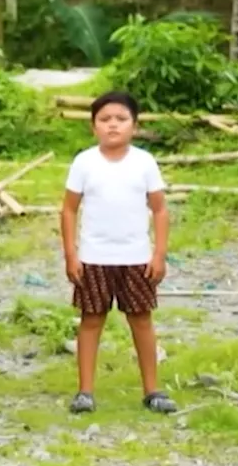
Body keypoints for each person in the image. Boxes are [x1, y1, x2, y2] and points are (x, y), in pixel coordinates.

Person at [60, 90, 178, 415]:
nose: (113, 125)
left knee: (141, 320)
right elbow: (69, 210)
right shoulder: (84, 162)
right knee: (91, 320)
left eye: (121, 119)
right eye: (105, 119)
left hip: (136, 258)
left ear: (135, 126)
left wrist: (159, 254)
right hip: (93, 258)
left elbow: (160, 210)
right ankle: (85, 392)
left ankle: (153, 390)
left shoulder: (144, 163)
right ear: (93, 126)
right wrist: (71, 254)